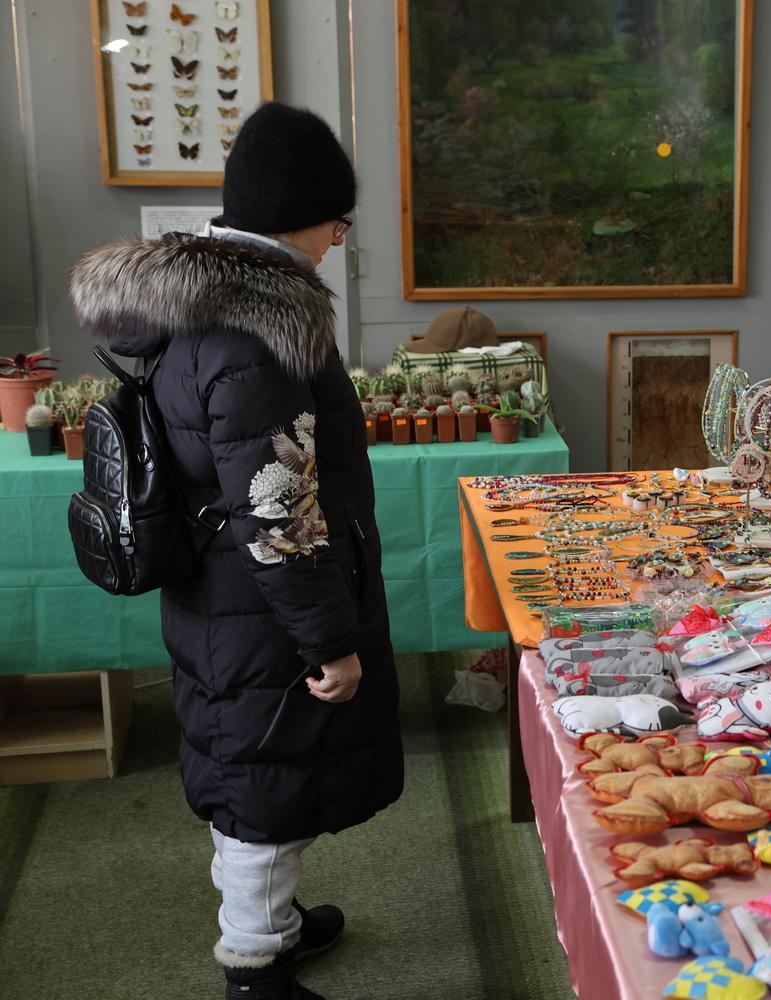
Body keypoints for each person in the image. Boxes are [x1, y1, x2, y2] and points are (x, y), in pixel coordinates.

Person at [69, 102, 403, 1000]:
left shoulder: (202, 298)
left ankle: (276, 926)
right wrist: (329, 640)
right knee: (265, 786)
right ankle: (254, 963)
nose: (341, 236)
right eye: (341, 218)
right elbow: (278, 508)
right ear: (307, 213)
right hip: (261, 604)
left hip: (222, 595)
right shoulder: (261, 325)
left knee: (253, 764)